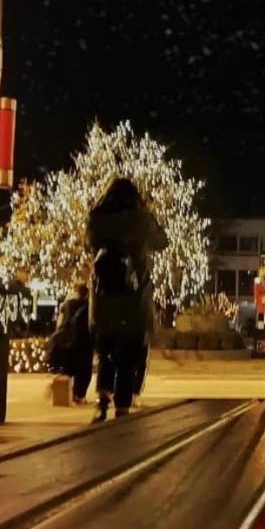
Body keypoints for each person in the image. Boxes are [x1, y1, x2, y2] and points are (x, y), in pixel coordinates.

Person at [87, 178, 168, 423]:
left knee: (107, 352)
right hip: (133, 298)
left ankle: (102, 402)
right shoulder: (141, 219)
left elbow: (88, 243)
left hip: (105, 298)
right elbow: (162, 241)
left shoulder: (97, 217)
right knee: (128, 355)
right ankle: (122, 407)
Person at [45, 282, 94, 405]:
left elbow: (60, 323)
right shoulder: (89, 306)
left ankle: (62, 391)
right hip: (83, 342)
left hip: (66, 340)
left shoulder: (66, 305)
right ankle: (79, 395)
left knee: (68, 368)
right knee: (84, 370)